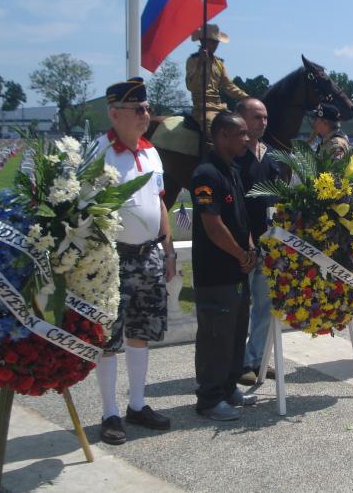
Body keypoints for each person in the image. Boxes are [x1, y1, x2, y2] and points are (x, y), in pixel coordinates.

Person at [94, 77, 176, 446]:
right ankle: (110, 412)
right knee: (108, 338)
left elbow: (159, 202)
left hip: (148, 256)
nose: (146, 114)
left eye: (146, 107)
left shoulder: (150, 152)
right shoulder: (99, 154)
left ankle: (137, 405)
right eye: (138, 109)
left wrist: (168, 248)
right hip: (110, 259)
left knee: (142, 332)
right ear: (114, 113)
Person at [190, 112, 258, 420]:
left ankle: (228, 388)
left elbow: (241, 219)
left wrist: (250, 249)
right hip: (216, 272)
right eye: (240, 133)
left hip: (236, 270)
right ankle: (209, 397)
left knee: (235, 332)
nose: (247, 139)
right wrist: (241, 255)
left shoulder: (232, 170)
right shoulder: (207, 174)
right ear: (221, 136)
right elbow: (213, 226)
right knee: (215, 337)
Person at [235, 97, 280, 385]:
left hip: (270, 241)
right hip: (242, 243)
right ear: (241, 118)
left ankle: (258, 357)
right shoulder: (235, 156)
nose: (262, 122)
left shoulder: (272, 155)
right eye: (256, 117)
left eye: (264, 117)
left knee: (266, 304)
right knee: (241, 307)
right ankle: (239, 362)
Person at [186, 24, 248, 136]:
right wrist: (200, 64)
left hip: (219, 106)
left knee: (237, 124)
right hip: (202, 108)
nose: (215, 45)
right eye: (213, 42)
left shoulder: (219, 63)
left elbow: (228, 86)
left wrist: (246, 97)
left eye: (217, 42)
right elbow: (191, 86)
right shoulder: (193, 60)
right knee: (212, 128)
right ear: (203, 41)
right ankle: (210, 153)